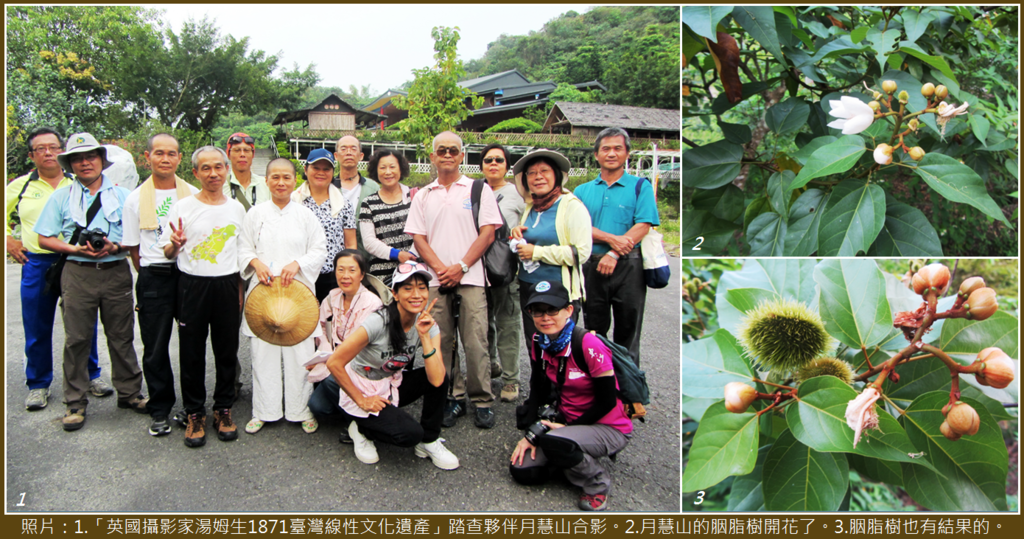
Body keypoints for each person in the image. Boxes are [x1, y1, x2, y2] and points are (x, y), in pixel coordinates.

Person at [35, 133, 148, 431]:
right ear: (70, 164)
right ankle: (75, 401)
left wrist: (116, 246)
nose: (85, 163)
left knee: (121, 336)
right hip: (78, 272)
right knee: (77, 339)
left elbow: (138, 236)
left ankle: (130, 393)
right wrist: (74, 248)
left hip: (114, 270)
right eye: (78, 158)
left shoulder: (124, 196)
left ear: (102, 160)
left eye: (91, 156)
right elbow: (43, 238)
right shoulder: (61, 196)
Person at [6, 127, 110, 411]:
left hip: (76, 261)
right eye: (41, 148)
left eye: (53, 147)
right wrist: (9, 240)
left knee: (81, 324)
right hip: (37, 262)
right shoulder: (19, 187)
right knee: (37, 324)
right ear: (32, 155)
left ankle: (91, 375)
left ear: (63, 153)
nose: (48, 152)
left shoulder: (78, 184)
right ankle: (38, 384)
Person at [404, 131, 503, 429]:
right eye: (441, 150)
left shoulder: (478, 189)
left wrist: (460, 266)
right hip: (435, 281)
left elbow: (488, 232)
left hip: (471, 277)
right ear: (432, 156)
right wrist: (440, 269)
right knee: (441, 341)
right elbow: (418, 237)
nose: (447, 155)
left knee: (475, 341)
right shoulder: (423, 195)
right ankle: (452, 396)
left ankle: (482, 399)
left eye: (453, 150)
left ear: (462, 156)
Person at [510, 280, 632, 512]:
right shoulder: (540, 342)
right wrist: (531, 426)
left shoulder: (588, 344)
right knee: (523, 471)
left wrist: (561, 429)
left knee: (555, 441)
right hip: (566, 420)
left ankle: (597, 483)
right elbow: (537, 384)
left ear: (569, 310)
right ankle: (568, 457)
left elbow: (607, 401)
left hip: (607, 425)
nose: (545, 317)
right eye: (538, 311)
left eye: (552, 310)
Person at [322, 261, 459, 470]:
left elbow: (437, 380)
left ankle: (429, 441)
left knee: (439, 373)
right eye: (407, 288)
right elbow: (334, 362)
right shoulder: (378, 322)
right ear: (395, 294)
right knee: (410, 434)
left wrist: (424, 336)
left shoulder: (428, 326)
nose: (416, 294)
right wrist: (362, 400)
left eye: (422, 288)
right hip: (363, 389)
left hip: (391, 384)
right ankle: (359, 428)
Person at [161, 145, 247, 447]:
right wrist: (175, 244)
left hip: (225, 286)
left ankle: (223, 409)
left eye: (218, 167)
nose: (213, 173)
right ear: (195, 172)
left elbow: (239, 253)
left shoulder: (237, 209)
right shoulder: (182, 206)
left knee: (227, 350)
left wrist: (238, 292)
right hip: (192, 286)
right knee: (192, 352)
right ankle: (194, 412)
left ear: (226, 170)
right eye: (206, 168)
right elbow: (168, 252)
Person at [238, 158, 327, 435]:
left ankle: (301, 410)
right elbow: (242, 247)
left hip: (296, 294)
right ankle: (265, 410)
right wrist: (255, 263)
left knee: (299, 352)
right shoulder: (255, 214)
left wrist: (297, 264)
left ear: (294, 180)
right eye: (274, 177)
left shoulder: (306, 215)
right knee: (262, 353)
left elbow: (319, 250)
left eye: (286, 177)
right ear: (266, 181)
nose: (280, 183)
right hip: (263, 293)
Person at [122, 133, 199, 436]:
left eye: (171, 153)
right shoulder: (134, 199)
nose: (165, 159)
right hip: (154, 276)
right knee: (155, 347)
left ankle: (193, 407)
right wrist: (152, 274)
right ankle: (160, 407)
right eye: (159, 153)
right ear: (147, 157)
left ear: (180, 158)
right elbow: (132, 249)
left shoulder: (192, 194)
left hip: (188, 275)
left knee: (191, 344)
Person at [573, 128, 659, 365]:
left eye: (617, 148)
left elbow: (643, 225)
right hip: (592, 265)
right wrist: (612, 239)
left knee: (628, 332)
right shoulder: (582, 191)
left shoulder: (641, 186)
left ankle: (628, 394)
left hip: (629, 266)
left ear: (627, 153)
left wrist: (613, 252)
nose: (611, 153)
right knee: (594, 331)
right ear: (596, 155)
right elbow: (577, 228)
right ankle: (599, 388)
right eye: (606, 149)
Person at [510, 149, 593, 353]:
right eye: (531, 173)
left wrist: (536, 252)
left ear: (556, 174)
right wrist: (517, 235)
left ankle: (561, 386)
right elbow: (529, 241)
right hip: (530, 289)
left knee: (560, 347)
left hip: (560, 291)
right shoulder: (531, 207)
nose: (538, 177)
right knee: (536, 344)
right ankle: (539, 385)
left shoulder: (572, 206)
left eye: (544, 170)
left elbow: (581, 253)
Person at [307, 249, 386, 444]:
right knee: (317, 406)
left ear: (362, 274)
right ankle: (351, 409)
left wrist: (331, 361)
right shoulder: (332, 297)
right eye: (340, 270)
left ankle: (358, 421)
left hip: (362, 363)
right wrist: (323, 354)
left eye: (352, 270)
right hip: (336, 358)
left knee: (329, 380)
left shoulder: (371, 303)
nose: (345, 276)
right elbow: (321, 327)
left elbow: (365, 345)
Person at [479, 144, 526, 402]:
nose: (493, 164)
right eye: (488, 160)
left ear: (507, 165)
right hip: (476, 268)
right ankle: (491, 366)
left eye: (499, 159)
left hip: (506, 269)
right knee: (483, 324)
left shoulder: (519, 194)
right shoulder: (475, 190)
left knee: (508, 324)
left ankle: (511, 379)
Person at [291, 149, 356, 303]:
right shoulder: (293, 201)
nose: (321, 172)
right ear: (306, 170)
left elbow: (350, 243)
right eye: (316, 168)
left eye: (326, 169)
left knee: (331, 322)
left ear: (333, 172)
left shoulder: (343, 204)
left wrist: (348, 271)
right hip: (300, 274)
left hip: (333, 276)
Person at [359, 149, 417, 287]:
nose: (388, 172)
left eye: (392, 167)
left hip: (414, 269)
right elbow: (369, 241)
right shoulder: (368, 203)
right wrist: (397, 254)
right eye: (382, 167)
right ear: (376, 171)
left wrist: (410, 255)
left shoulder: (415, 196)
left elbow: (424, 232)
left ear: (401, 169)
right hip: (382, 276)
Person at [332, 135, 380, 259]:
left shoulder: (373, 187)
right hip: (335, 259)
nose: (348, 152)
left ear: (361, 156)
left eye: (353, 149)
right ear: (336, 156)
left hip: (368, 257)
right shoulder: (329, 188)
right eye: (343, 149)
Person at [222, 132, 270, 210]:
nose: (242, 154)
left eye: (247, 150)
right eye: (237, 150)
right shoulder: (219, 187)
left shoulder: (267, 185)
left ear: (253, 154)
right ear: (228, 154)